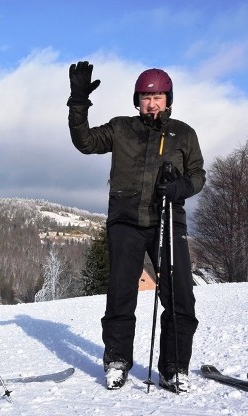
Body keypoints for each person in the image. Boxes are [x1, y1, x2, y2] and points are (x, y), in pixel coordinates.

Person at [66, 62, 205, 391]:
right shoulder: (121, 128)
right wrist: (78, 101)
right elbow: (84, 141)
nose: (151, 103)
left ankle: (173, 366)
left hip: (168, 218)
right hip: (126, 221)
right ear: (137, 100)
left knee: (180, 296)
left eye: (157, 96)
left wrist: (180, 187)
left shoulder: (183, 134)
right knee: (121, 295)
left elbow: (198, 174)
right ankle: (116, 359)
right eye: (145, 97)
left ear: (167, 99)